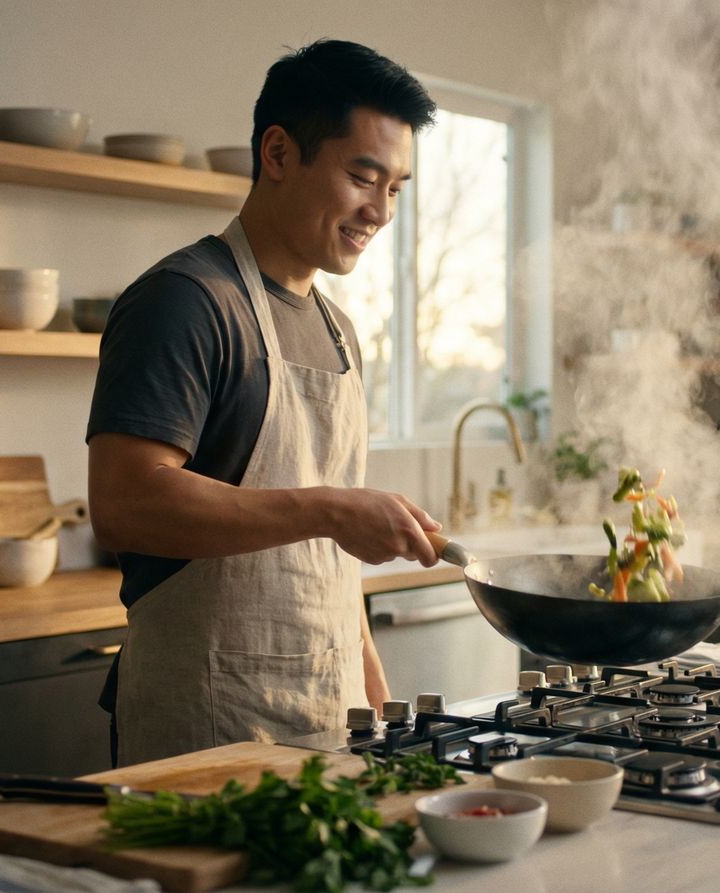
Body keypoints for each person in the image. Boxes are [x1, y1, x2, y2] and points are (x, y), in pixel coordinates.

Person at [86, 39, 441, 767]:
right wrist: (335, 509)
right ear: (278, 153)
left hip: (328, 711)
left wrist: (371, 683)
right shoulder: (185, 301)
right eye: (362, 176)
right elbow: (125, 503)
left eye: (396, 187)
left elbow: (328, 568)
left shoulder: (338, 331)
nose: (379, 210)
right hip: (204, 722)